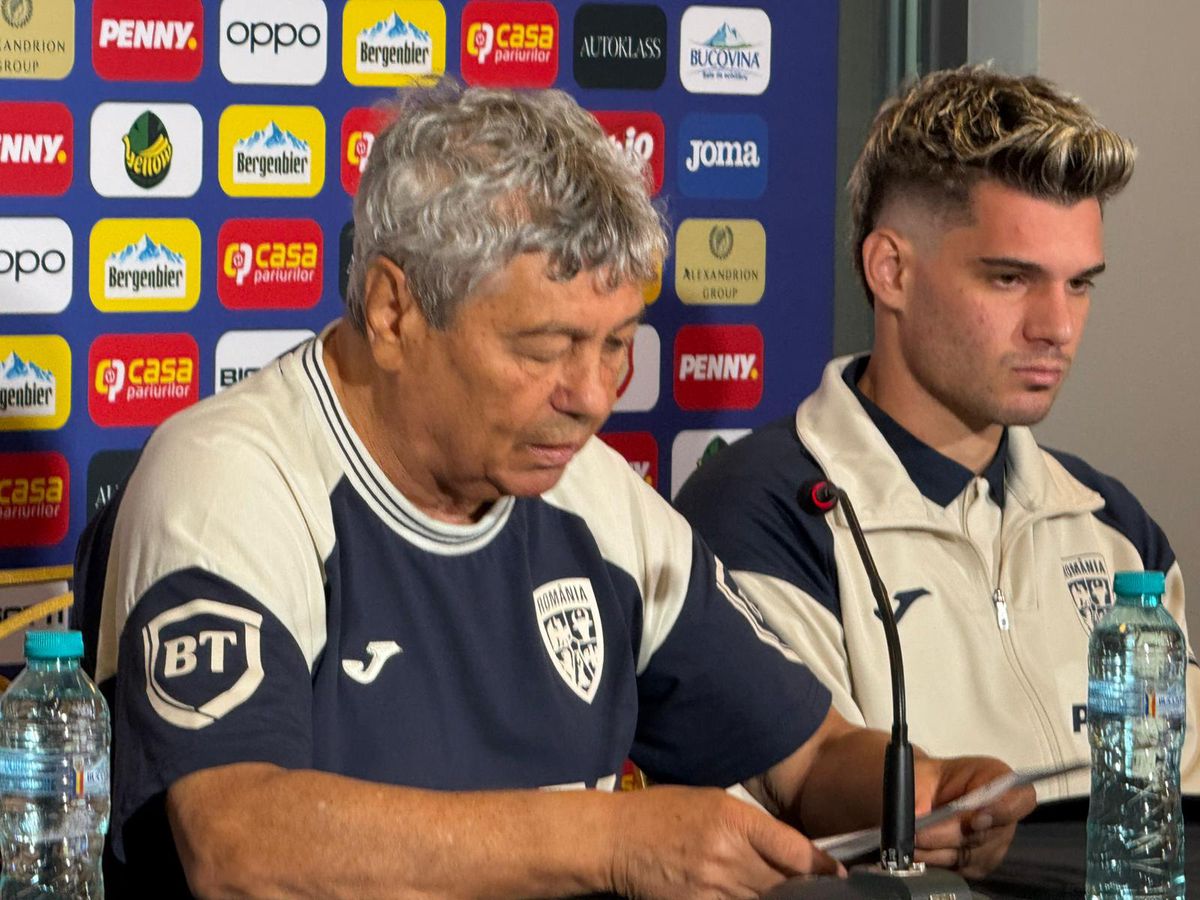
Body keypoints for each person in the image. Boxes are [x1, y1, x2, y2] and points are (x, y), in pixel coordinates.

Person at [85, 84, 1032, 898]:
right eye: (545, 348)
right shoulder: (235, 478)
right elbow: (238, 842)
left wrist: (926, 794)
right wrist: (612, 842)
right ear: (393, 311)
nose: (591, 397)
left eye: (617, 344)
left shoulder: (593, 496)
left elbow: (807, 757)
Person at [676, 64, 1200, 804]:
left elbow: (1173, 815)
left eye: (1079, 283)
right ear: (891, 271)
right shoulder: (761, 517)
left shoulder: (1116, 529)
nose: (1057, 327)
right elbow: (791, 821)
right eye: (1010, 279)